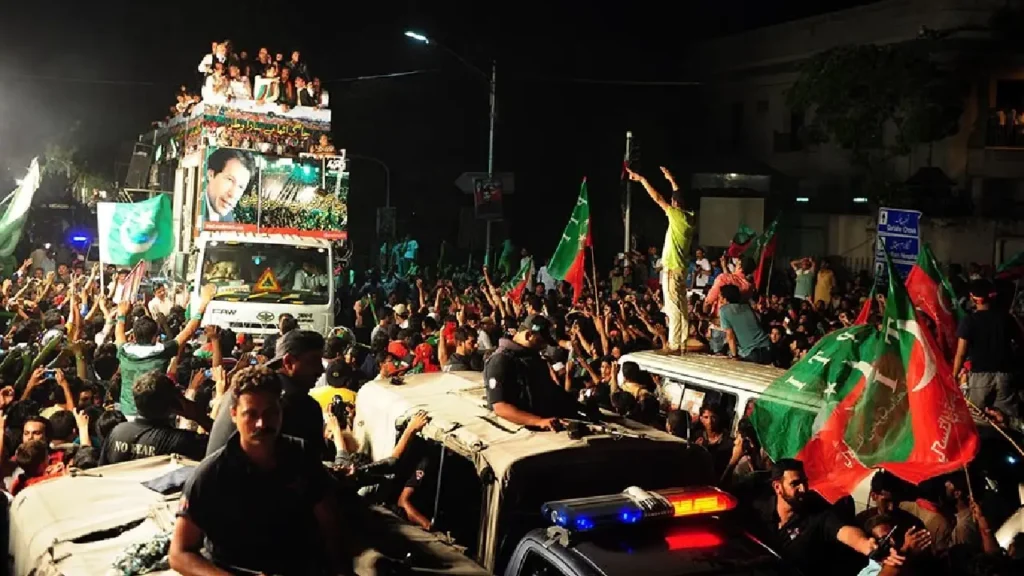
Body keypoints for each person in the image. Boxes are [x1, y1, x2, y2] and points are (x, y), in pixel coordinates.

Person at [169, 366, 350, 576]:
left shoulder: (302, 456)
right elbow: (179, 553)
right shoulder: (211, 475)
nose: (261, 423)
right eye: (251, 414)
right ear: (234, 414)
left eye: (270, 413)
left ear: (281, 412)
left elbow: (330, 525)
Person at [746, 459, 879, 575]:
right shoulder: (759, 509)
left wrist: (864, 544)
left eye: (804, 482)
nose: (803, 488)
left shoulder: (818, 512)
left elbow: (843, 530)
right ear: (777, 487)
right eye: (795, 484)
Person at [207, 330, 326, 457]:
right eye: (313, 361)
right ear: (289, 362)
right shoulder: (295, 401)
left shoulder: (248, 386)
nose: (321, 370)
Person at [115, 284, 216, 418]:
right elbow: (189, 331)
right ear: (154, 338)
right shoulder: (161, 350)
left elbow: (119, 333)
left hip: (126, 414)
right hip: (154, 417)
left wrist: (121, 314)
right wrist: (204, 303)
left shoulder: (124, 351)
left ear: (134, 336)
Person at [627, 166, 693, 353]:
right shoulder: (689, 218)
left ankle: (674, 344)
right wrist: (672, 180)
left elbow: (657, 198)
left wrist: (642, 180)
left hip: (672, 269)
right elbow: (677, 196)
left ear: (675, 204)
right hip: (680, 268)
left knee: (673, 307)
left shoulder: (676, 215)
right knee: (681, 306)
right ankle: (682, 341)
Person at [483, 315, 582, 429]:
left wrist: (576, 405)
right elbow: (500, 407)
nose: (544, 346)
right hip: (522, 433)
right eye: (541, 341)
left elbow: (550, 391)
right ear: (529, 335)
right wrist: (539, 422)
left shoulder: (534, 359)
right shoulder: (500, 361)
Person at [99, 371, 210, 465]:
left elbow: (102, 471)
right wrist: (199, 416)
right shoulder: (181, 441)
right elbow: (221, 444)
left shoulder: (116, 433)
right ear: (174, 403)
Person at [952, 279, 1023, 417]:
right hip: (1005, 375)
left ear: (974, 298)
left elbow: (961, 353)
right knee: (1007, 418)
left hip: (980, 377)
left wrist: (954, 376)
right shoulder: (1007, 318)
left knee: (978, 417)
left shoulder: (969, 321)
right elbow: (1020, 342)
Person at [719, 284, 772, 364]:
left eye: (720, 296)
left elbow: (730, 336)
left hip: (751, 351)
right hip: (767, 346)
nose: (719, 299)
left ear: (725, 298)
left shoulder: (724, 310)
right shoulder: (747, 307)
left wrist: (734, 356)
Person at [204, 147, 255, 223]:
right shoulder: (193, 210)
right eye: (230, 180)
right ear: (211, 175)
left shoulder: (228, 218)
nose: (233, 194)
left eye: (241, 187)